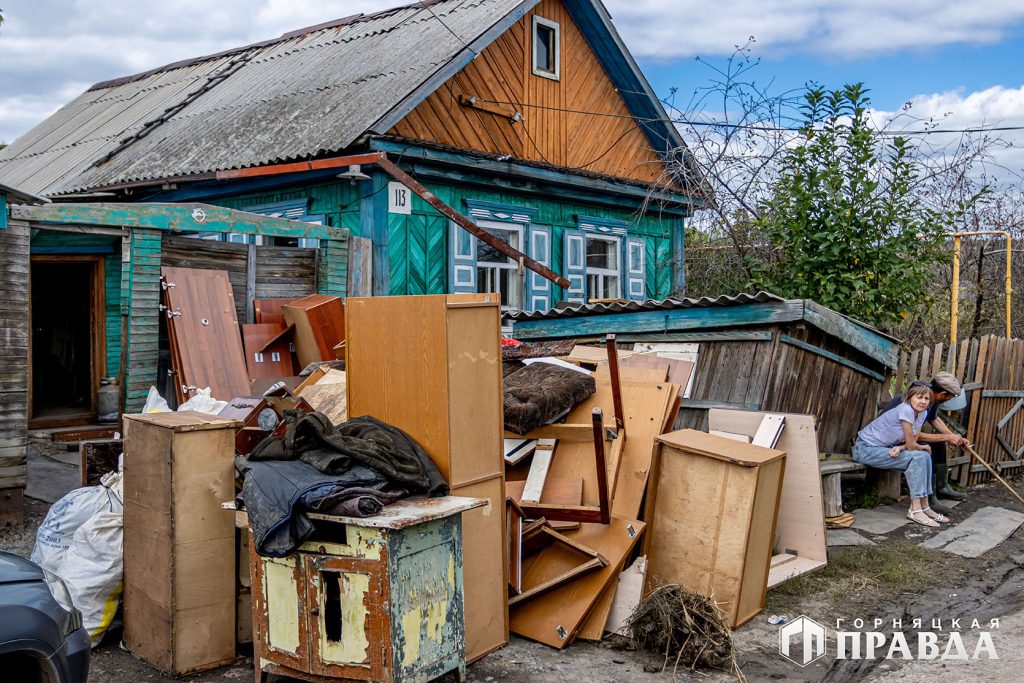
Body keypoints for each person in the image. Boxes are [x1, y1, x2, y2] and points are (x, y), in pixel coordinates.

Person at [853, 384, 948, 527]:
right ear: (910, 398)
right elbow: (911, 445)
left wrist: (901, 447)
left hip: (885, 449)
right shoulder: (906, 410)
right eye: (919, 397)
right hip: (865, 449)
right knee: (917, 457)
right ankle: (915, 510)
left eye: (926, 398)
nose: (922, 401)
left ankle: (925, 506)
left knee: (925, 455)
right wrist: (909, 447)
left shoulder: (922, 413)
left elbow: (912, 441)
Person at [880, 371, 968, 515]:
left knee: (938, 443)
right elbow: (912, 435)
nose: (947, 401)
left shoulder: (930, 399)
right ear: (942, 394)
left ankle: (941, 487)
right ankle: (929, 497)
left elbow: (934, 419)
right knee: (928, 449)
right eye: (949, 398)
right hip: (888, 440)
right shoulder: (919, 401)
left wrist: (952, 436)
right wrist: (946, 437)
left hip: (903, 438)